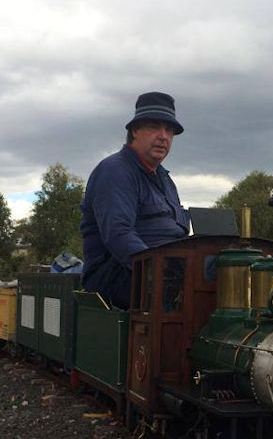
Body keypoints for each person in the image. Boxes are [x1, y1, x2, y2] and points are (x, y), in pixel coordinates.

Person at [80, 92, 191, 309]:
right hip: (121, 284)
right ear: (134, 131)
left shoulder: (166, 181)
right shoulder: (115, 172)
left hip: (165, 278)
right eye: (154, 127)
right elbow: (119, 234)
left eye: (169, 130)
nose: (163, 136)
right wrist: (163, 273)